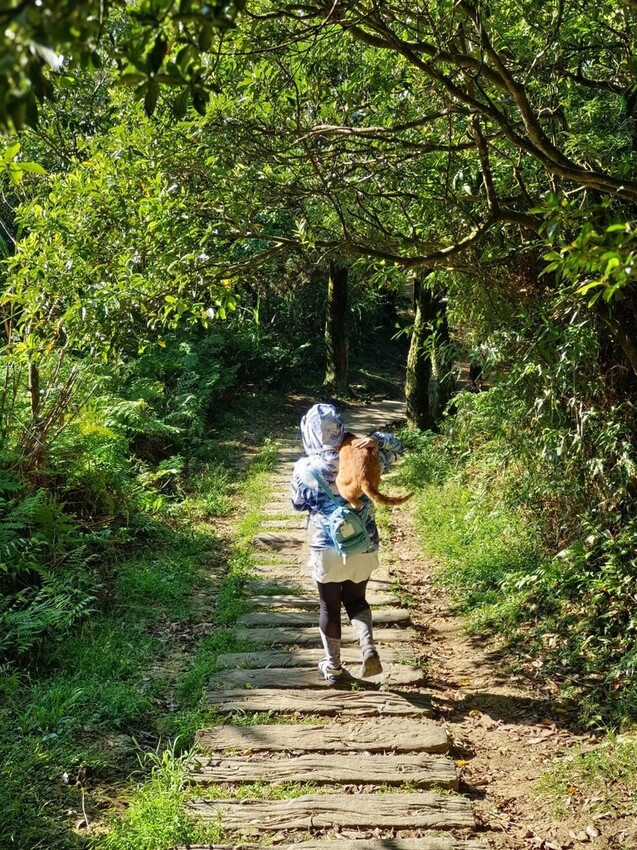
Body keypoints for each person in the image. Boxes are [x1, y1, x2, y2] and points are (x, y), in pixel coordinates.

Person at [289, 402, 405, 684]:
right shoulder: (365, 455)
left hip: (326, 548)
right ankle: (368, 648)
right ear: (340, 427)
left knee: (329, 607)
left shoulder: (304, 468)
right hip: (363, 544)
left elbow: (298, 504)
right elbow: (398, 449)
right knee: (356, 599)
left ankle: (333, 668)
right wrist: (377, 440)